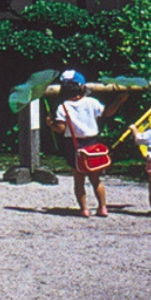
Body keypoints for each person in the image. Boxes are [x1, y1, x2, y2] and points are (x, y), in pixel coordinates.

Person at [52, 72, 128, 218]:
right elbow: (108, 113)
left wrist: (51, 125)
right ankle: (102, 207)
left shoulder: (63, 107)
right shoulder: (92, 102)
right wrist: (119, 101)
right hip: (93, 143)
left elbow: (61, 129)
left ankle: (84, 209)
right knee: (95, 178)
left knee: (78, 180)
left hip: (74, 145)